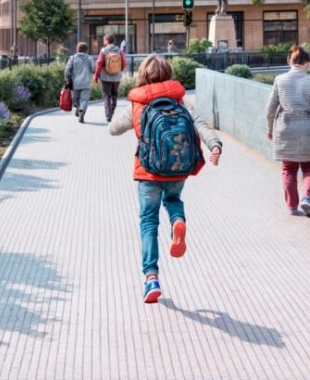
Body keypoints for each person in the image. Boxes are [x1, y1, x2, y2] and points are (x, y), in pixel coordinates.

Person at [109, 54, 222, 304]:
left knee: (149, 222)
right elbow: (200, 125)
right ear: (168, 74)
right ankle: (177, 221)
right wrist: (215, 145)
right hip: (177, 167)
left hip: (148, 171)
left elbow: (113, 129)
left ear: (143, 75)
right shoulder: (180, 101)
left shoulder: (137, 103)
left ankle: (151, 278)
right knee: (173, 199)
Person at [266, 45, 310, 218]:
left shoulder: (279, 80)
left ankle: (292, 206)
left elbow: (270, 108)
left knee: (288, 169)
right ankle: (308, 198)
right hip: (308, 131)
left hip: (285, 130)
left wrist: (269, 128)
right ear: (307, 63)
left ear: (290, 61)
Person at [93, 33, 126, 123]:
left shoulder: (104, 51)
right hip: (116, 77)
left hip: (105, 77)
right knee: (114, 94)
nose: (103, 41)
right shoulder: (119, 51)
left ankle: (108, 115)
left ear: (107, 41)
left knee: (107, 95)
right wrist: (119, 70)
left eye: (104, 40)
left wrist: (96, 76)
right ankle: (112, 109)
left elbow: (99, 64)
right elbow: (123, 63)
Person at [64, 42, 96, 124]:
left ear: (77, 49)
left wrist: (66, 78)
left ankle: (78, 108)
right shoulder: (89, 58)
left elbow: (67, 70)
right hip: (86, 83)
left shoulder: (72, 58)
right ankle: (81, 111)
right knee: (84, 99)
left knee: (75, 99)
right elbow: (93, 69)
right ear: (86, 50)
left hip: (75, 83)